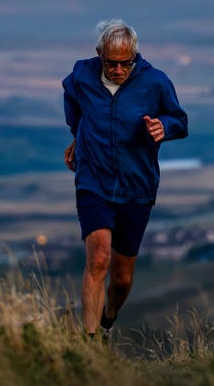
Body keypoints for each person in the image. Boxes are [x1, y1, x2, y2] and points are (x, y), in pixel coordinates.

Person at [62, 19, 189, 338]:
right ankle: (88, 345)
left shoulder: (156, 82)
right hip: (93, 180)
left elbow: (180, 120)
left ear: (135, 55)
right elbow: (72, 98)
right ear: (99, 55)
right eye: (111, 63)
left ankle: (108, 319)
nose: (118, 70)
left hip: (137, 186)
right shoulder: (82, 74)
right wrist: (79, 135)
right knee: (98, 258)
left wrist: (164, 127)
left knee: (121, 278)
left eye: (125, 63)